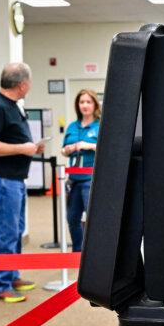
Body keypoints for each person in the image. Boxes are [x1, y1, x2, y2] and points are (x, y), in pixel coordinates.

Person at [0, 62, 44, 303]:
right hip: (2, 179)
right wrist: (22, 148)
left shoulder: (12, 106)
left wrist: (31, 147)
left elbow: (12, 139)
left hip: (13, 179)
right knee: (6, 233)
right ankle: (0, 285)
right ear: (22, 84)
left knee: (15, 231)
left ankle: (12, 274)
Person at [61, 89, 100, 252]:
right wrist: (67, 149)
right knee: (72, 218)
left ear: (94, 105)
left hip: (90, 179)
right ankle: (78, 251)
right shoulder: (72, 126)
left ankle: (93, 253)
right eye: (82, 102)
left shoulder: (101, 125)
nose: (85, 105)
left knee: (92, 219)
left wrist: (88, 145)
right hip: (73, 180)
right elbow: (62, 150)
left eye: (88, 102)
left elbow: (108, 149)